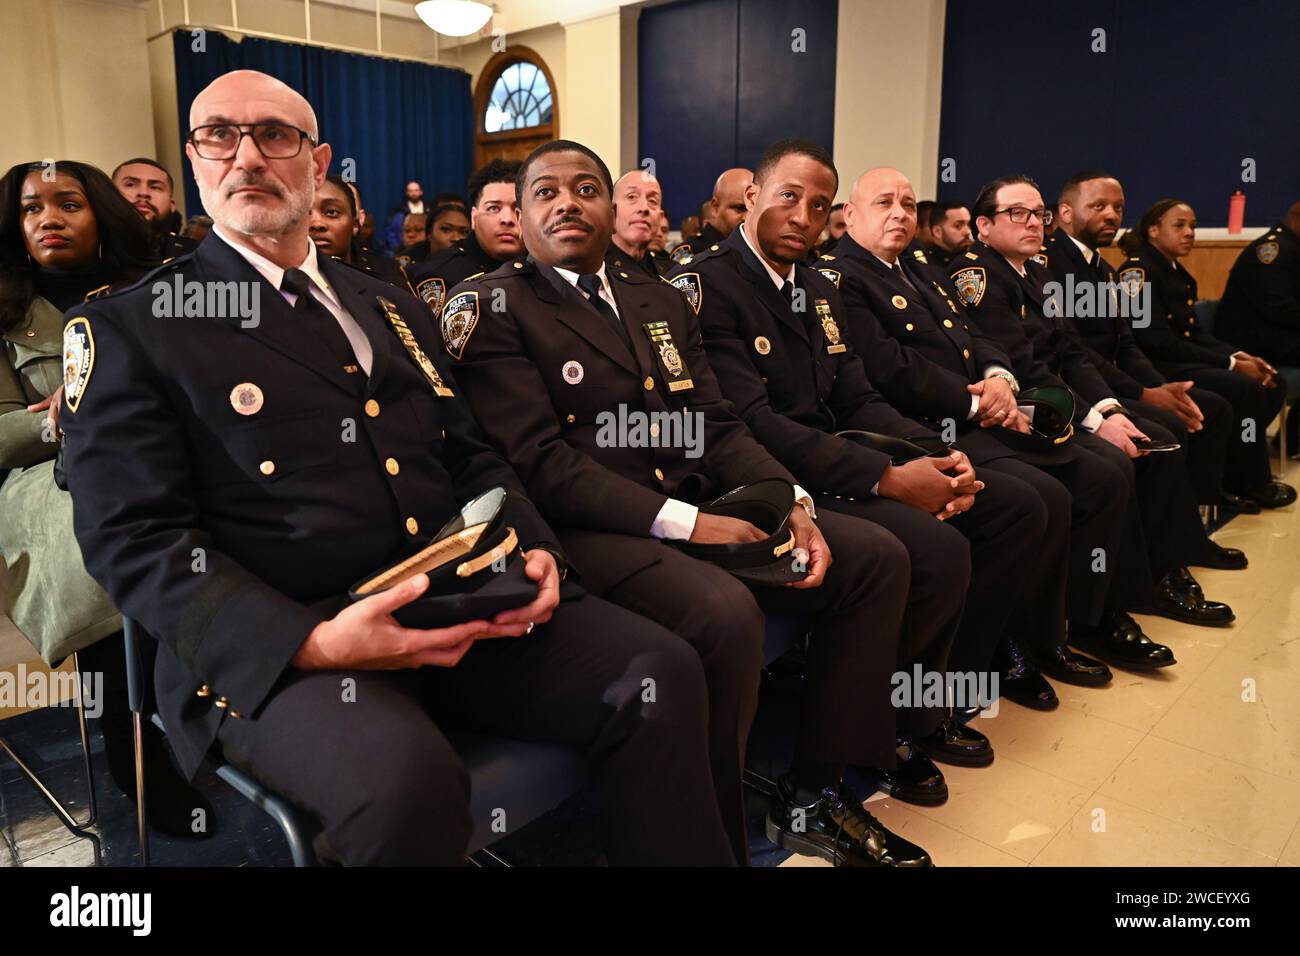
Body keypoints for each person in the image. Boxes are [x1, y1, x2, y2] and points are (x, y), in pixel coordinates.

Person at [60, 70, 735, 867]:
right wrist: (313, 642)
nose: (247, 157)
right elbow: (133, 539)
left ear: (319, 162)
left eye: (275, 135)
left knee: (659, 672)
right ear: (196, 159)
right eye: (219, 136)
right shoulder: (131, 326)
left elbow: (468, 452)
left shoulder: (386, 302)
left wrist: (534, 549)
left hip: (442, 597)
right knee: (405, 785)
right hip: (287, 641)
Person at [444, 138, 936, 867]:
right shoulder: (494, 307)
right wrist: (691, 524)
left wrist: (789, 498)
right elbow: (540, 464)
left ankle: (816, 791)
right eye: (546, 192)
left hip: (693, 498)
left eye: (586, 188)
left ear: (611, 206)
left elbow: (713, 421)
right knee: (721, 611)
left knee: (873, 558)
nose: (568, 203)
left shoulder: (657, 296)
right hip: (591, 528)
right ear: (517, 214)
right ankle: (714, 836)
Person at [673, 142, 1067, 808]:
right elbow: (752, 423)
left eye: (819, 205)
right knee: (928, 551)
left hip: (835, 460)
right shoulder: (709, 286)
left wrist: (926, 454)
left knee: (997, 505)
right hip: (764, 478)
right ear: (751, 198)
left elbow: (857, 398)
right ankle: (860, 754)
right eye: (788, 196)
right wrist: (886, 476)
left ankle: (922, 710)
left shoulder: (818, 290)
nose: (803, 215)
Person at [824, 166, 1138, 697]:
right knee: (1037, 500)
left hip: (978, 406)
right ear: (850, 215)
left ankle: (1050, 631)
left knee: (1091, 477)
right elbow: (890, 368)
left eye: (906, 203)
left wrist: (998, 377)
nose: (899, 213)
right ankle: (993, 653)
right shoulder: (844, 276)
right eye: (883, 203)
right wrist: (976, 403)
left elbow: (973, 333)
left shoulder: (917, 265)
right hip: (922, 424)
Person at [0, 158, 217, 837]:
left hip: (166, 457)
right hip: (47, 481)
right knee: (110, 519)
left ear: (102, 214)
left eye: (67, 203)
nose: (48, 219)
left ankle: (224, 716)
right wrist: (59, 413)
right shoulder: (5, 311)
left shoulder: (155, 289)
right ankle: (136, 747)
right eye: (32, 209)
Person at [952, 176, 1238, 654]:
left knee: (1152, 444)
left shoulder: (1036, 273)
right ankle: (1092, 615)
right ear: (983, 226)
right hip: (1021, 409)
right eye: (1017, 213)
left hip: (1059, 399)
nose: (1033, 223)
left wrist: (1109, 408)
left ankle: (1150, 579)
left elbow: (1072, 354)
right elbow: (1024, 365)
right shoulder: (977, 275)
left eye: (1037, 213)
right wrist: (1095, 421)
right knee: (1109, 470)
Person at [1045, 172, 1234, 509]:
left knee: (1193, 411)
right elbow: (1076, 350)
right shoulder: (1048, 264)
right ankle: (1166, 544)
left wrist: (1160, 387)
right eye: (1098, 205)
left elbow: (1126, 342)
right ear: (1066, 213)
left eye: (1118, 207)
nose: (1111, 215)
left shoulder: (1101, 266)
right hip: (1076, 387)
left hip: (1110, 379)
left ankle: (1197, 516)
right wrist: (1144, 392)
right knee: (1166, 429)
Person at [1119, 200, 1294, 509]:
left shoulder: (1175, 271)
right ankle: (1245, 483)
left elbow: (1195, 333)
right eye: (1180, 225)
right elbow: (1154, 340)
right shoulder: (1138, 272)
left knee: (1270, 381)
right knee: (1244, 389)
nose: (1189, 233)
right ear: (1153, 230)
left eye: (1193, 226)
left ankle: (1237, 471)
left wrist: (1241, 356)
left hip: (1179, 358)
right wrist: (1229, 364)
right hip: (1155, 367)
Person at [408, 159, 523, 313]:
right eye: (494, 208)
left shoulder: (547, 267)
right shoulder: (442, 274)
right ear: (474, 218)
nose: (507, 219)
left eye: (517, 208)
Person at [1216, 201, 1300, 369]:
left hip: (1280, 335)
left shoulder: (1291, 248)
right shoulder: (1273, 249)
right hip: (1257, 340)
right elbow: (1278, 307)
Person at [308, 173, 411, 291]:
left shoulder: (388, 277)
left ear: (355, 225)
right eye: (305, 212)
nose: (317, 224)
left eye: (332, 212)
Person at [111, 157, 198, 261]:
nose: (144, 193)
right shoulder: (90, 254)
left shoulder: (198, 257)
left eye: (155, 187)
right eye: (130, 184)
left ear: (172, 205)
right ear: (109, 195)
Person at [669, 168, 751, 263]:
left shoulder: (760, 252)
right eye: (739, 208)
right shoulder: (689, 252)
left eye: (753, 209)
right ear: (715, 208)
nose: (747, 217)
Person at [608, 169, 664, 278]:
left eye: (652, 201)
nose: (644, 208)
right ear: (612, 211)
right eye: (632, 197)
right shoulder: (592, 269)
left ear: (660, 218)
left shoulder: (671, 274)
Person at [922, 199, 973, 267]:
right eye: (958, 226)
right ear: (937, 232)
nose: (968, 231)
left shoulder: (973, 259)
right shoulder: (925, 266)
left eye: (969, 225)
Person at [385, 179, 424, 249]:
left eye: (416, 190)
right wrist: (397, 248)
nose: (414, 193)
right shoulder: (400, 211)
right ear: (406, 193)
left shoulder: (429, 208)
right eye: (411, 191)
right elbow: (392, 233)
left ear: (421, 192)